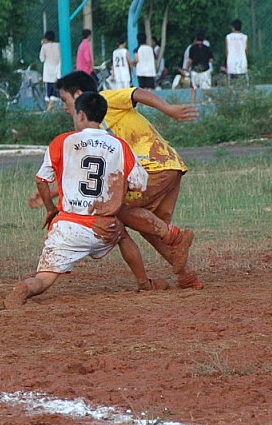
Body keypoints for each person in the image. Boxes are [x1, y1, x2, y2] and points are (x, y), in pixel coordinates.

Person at [6, 91, 157, 309]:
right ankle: (144, 283)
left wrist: (50, 208)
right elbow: (140, 184)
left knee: (43, 279)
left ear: (82, 115)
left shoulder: (63, 141)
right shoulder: (119, 145)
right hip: (104, 227)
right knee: (123, 235)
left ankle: (25, 289)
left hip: (68, 228)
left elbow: (41, 180)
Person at [55, 70, 202, 289]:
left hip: (154, 166)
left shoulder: (104, 99)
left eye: (64, 100)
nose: (65, 107)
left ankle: (177, 238)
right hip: (168, 165)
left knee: (117, 209)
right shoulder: (91, 131)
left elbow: (136, 93)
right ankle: (188, 277)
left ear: (78, 95)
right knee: (151, 226)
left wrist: (168, 109)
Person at [39, 31, 61, 112]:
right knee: (56, 91)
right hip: (57, 71)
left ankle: (48, 109)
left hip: (48, 72)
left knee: (48, 92)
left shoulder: (44, 47)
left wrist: (42, 45)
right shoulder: (58, 45)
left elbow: (42, 59)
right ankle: (49, 109)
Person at [225, 18, 249, 84]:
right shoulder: (245, 37)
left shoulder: (228, 37)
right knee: (243, 84)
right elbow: (246, 51)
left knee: (231, 83)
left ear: (233, 27)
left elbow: (227, 51)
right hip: (242, 62)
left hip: (231, 63)